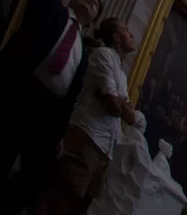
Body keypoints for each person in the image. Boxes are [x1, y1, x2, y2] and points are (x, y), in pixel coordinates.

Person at [0, 0, 101, 215]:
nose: (92, 0)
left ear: (93, 22)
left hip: (46, 115)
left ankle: (2, 207)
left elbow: (69, 100)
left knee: (37, 178)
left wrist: (59, 137)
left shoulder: (83, 55)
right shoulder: (51, 9)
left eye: (97, 4)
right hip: (18, 92)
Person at [44, 17, 140, 214]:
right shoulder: (103, 55)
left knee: (81, 207)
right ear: (115, 36)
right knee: (63, 200)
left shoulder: (121, 75)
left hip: (106, 149)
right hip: (88, 137)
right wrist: (120, 104)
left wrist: (118, 102)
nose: (132, 35)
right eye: (126, 30)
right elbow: (114, 106)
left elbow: (131, 117)